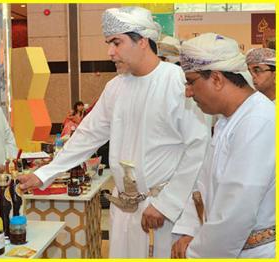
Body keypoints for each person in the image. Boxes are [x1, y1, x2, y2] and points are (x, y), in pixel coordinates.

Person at [18, 6, 209, 258]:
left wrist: (167, 205)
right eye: (109, 43)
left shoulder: (176, 81)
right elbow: (87, 135)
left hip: (162, 213)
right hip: (123, 209)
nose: (110, 52)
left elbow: (198, 147)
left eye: (116, 42)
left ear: (142, 41)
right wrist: (44, 174)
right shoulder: (115, 87)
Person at [171, 33, 275, 258]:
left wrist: (196, 253)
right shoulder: (228, 120)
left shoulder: (258, 121)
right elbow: (204, 185)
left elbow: (236, 211)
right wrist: (189, 229)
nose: (188, 92)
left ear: (217, 79)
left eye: (191, 82)